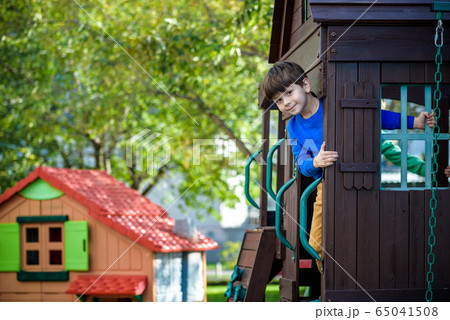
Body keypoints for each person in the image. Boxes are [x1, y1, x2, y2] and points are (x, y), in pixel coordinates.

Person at [262, 61, 436, 271]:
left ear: (306, 86)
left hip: (361, 169)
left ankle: (432, 172)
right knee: (316, 243)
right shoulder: (294, 127)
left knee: (388, 151)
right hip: (327, 184)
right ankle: (328, 286)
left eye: (289, 93)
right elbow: (302, 163)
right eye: (279, 100)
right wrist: (315, 162)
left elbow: (376, 115)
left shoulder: (333, 104)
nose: (286, 102)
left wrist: (414, 123)